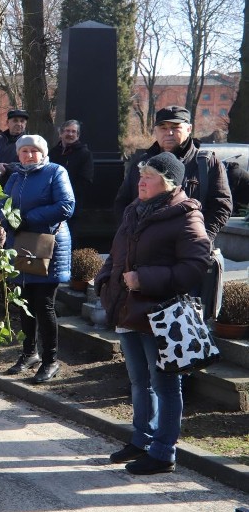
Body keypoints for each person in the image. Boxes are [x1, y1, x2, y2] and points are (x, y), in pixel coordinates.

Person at [95, 152, 209, 475]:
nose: (141, 181)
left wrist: (145, 280)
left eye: (149, 176)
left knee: (166, 386)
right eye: (141, 175)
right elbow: (118, 252)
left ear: (168, 182)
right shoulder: (134, 210)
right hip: (128, 311)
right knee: (138, 381)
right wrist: (104, 281)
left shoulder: (186, 215)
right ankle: (141, 440)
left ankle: (163, 452)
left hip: (161, 314)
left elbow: (195, 265)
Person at [0, 134, 75, 383]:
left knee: (43, 305)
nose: (29, 155)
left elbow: (66, 205)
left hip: (47, 246)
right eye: (24, 151)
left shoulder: (56, 172)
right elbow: (3, 204)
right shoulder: (15, 176)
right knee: (23, 303)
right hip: (21, 245)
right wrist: (6, 218)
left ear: (43, 153)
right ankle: (29, 353)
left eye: (34, 151)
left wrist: (28, 217)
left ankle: (50, 360)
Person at [114, 106, 232, 242]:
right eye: (163, 128)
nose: (169, 133)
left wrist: (201, 238)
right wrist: (130, 236)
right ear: (156, 131)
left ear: (189, 129)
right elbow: (123, 202)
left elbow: (222, 205)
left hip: (190, 248)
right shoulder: (141, 164)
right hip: (145, 250)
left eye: (175, 127)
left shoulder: (206, 163)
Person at [48, 120, 94, 202]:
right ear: (61, 134)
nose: (70, 134)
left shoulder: (84, 154)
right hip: (52, 197)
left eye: (74, 131)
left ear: (78, 135)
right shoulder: (53, 152)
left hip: (73, 198)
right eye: (67, 131)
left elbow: (86, 179)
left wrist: (66, 191)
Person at [0, 109, 28, 175]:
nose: (19, 124)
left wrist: (7, 167)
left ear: (25, 124)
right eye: (15, 121)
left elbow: (29, 165)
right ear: (7, 122)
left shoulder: (28, 142)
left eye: (22, 121)